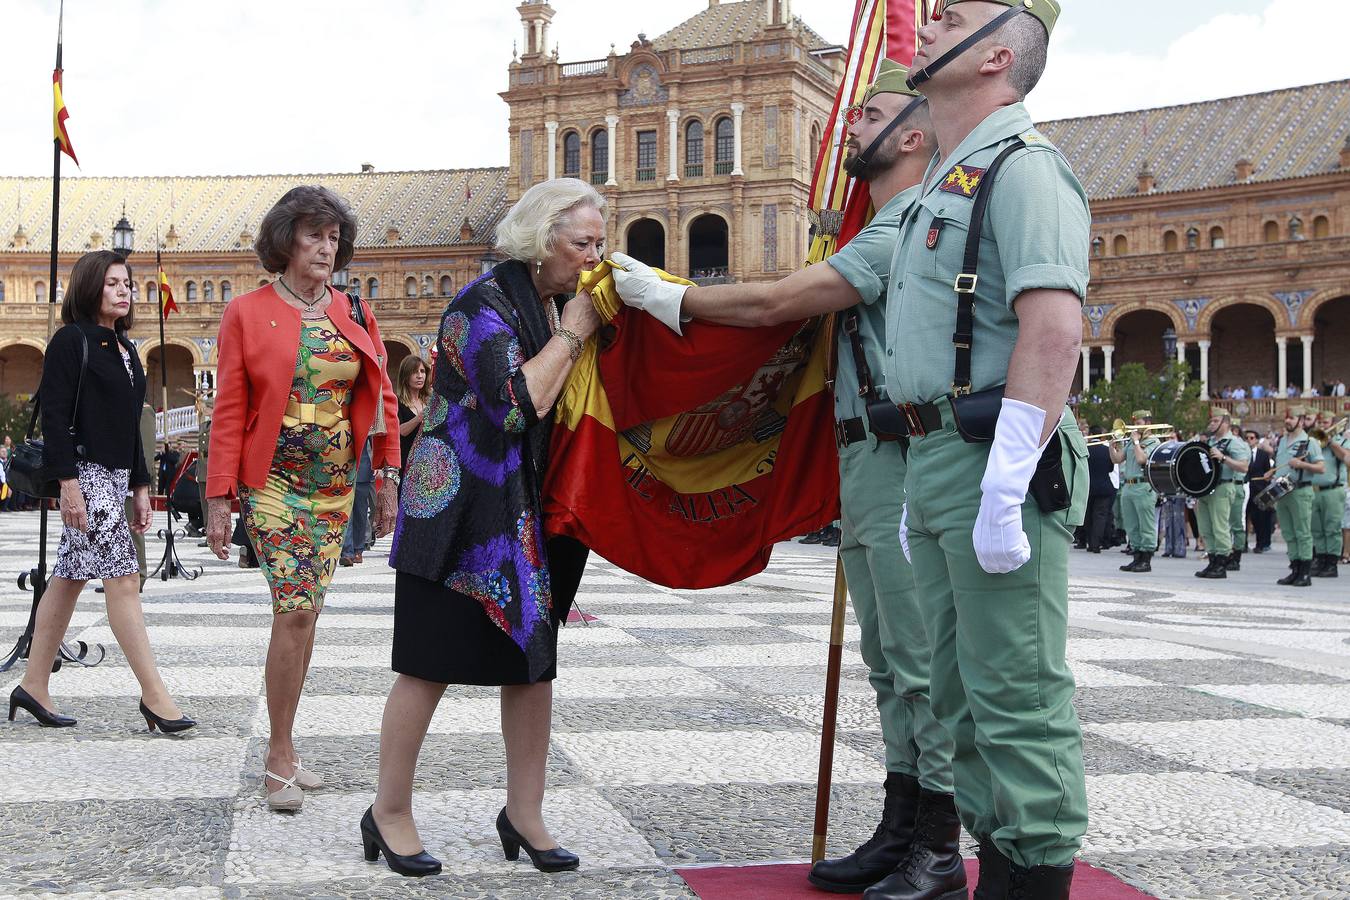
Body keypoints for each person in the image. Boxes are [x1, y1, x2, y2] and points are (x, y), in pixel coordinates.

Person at [614, 63, 965, 899]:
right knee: (886, 657)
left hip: (911, 459)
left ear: (913, 135)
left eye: (869, 114)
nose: (850, 127)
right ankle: (900, 824)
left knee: (918, 656)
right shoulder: (869, 227)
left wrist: (670, 297)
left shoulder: (905, 226)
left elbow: (777, 304)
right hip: (871, 461)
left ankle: (941, 846)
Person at [366, 178, 603, 878]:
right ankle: (389, 811)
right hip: (461, 518)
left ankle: (525, 812)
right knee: (428, 663)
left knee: (533, 669)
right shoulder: (482, 307)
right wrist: (573, 333)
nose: (595, 257)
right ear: (540, 239)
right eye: (583, 242)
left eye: (600, 242)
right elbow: (514, 405)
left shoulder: (558, 301)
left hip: (533, 515)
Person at [206, 186, 400, 811]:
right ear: (287, 239)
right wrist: (218, 495)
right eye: (313, 235)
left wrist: (390, 473)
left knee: (307, 613)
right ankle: (279, 754)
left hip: (336, 488)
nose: (326, 247)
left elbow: (383, 400)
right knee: (293, 610)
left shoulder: (354, 311)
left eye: (333, 237)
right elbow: (231, 408)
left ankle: (285, 742)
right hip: (274, 485)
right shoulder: (245, 311)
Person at [10, 250, 193, 733]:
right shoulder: (71, 341)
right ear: (90, 287)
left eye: (127, 283)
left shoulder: (129, 351)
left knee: (68, 578)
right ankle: (155, 696)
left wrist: (139, 485)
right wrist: (69, 484)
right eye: (112, 282)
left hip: (114, 477)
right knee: (125, 580)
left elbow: (131, 429)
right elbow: (54, 415)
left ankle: (33, 684)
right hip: (86, 476)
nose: (124, 290)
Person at [1193, 408, 1249, 578]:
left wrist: (1224, 458)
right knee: (1206, 527)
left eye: (1215, 421)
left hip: (1223, 487)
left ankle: (1222, 563)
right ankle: (1212, 561)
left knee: (1220, 526)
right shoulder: (1210, 442)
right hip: (1206, 488)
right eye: (1211, 421)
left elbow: (1244, 467)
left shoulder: (1234, 443)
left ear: (1226, 423)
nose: (1211, 424)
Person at [1271, 405, 1323, 587]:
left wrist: (1303, 466)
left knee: (1302, 532)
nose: (1288, 421)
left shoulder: (1310, 442)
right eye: (1287, 418)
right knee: (1288, 532)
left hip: (1300, 491)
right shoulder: (1282, 440)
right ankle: (1295, 568)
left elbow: (1320, 467)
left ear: (1301, 421)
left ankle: (1305, 572)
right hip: (1281, 490)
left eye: (1292, 418)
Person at [1112, 410, 1161, 573]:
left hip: (1143, 486)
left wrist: (1136, 442)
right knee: (1131, 524)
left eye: (1138, 423)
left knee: (1145, 524)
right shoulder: (1132, 442)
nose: (1134, 426)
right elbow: (1117, 459)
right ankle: (1136, 557)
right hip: (1128, 485)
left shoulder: (1153, 441)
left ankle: (1146, 559)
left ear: (1148, 423)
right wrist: (1113, 446)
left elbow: (1142, 459)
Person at [1309, 412, 1348, 577]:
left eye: (1326, 423)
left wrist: (1331, 442)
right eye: (1321, 423)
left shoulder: (1342, 441)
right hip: (1314, 490)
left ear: (1333, 424)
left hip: (1333, 490)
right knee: (1316, 528)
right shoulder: (1313, 442)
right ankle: (1320, 559)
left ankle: (1331, 563)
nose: (1323, 426)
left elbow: (1347, 458)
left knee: (1332, 528)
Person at [341, 436, 375, 566]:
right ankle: (347, 552)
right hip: (341, 469)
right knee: (347, 510)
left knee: (361, 512)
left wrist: (379, 464)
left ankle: (358, 549)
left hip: (364, 467)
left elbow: (375, 441)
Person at [394, 354, 431, 471]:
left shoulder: (429, 401)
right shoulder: (396, 402)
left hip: (428, 464)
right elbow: (399, 431)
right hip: (406, 464)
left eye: (422, 371)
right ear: (405, 376)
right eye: (415, 372)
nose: (420, 376)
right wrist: (418, 418)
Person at [1245, 429, 1275, 552]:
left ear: (1256, 440)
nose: (1249, 440)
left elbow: (1267, 471)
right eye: (1246, 438)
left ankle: (1260, 544)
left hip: (1259, 489)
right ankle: (1242, 544)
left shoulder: (1262, 455)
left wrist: (1266, 479)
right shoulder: (1242, 453)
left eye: (1251, 438)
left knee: (1259, 518)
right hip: (1246, 487)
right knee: (1244, 516)